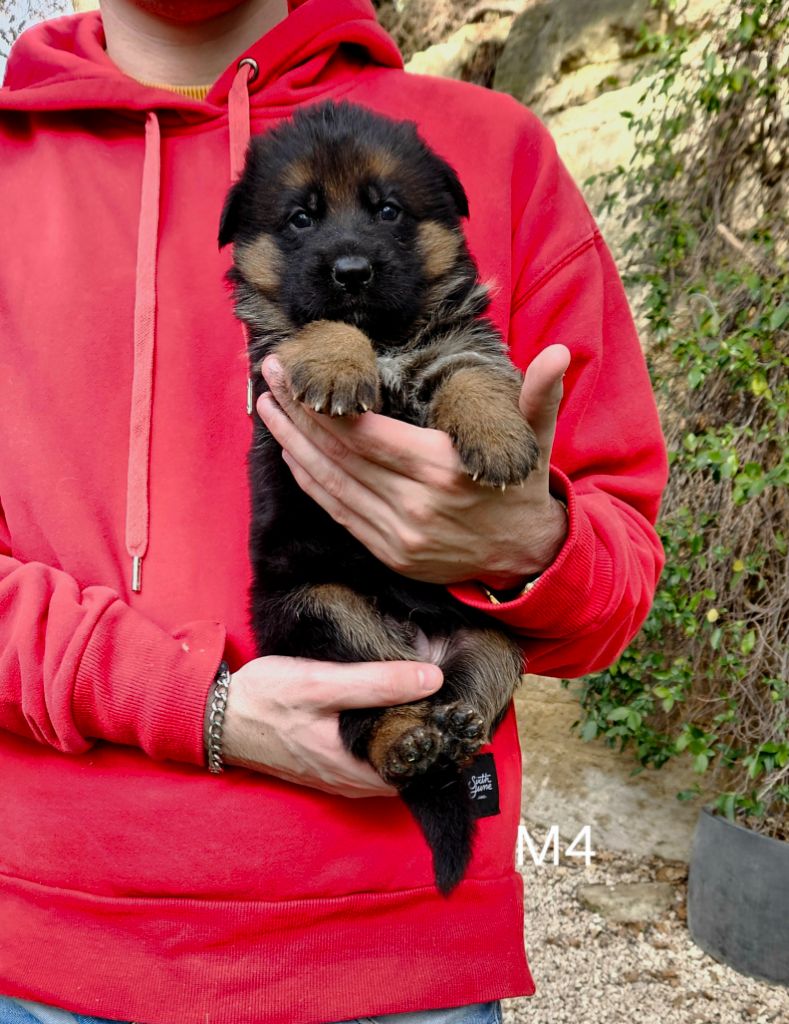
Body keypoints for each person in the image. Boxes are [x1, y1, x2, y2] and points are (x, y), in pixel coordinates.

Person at [0, 1, 668, 1022]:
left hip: (402, 965)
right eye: (306, 222)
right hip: (50, 954)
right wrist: (202, 709)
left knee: (481, 662)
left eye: (389, 217)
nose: (351, 256)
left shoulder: (498, 148)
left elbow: (619, 575)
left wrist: (533, 543)